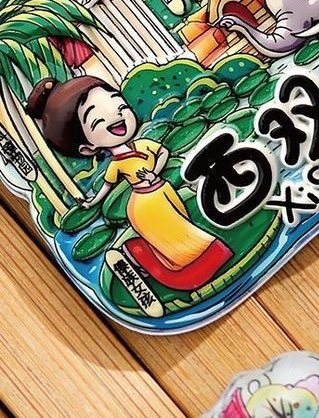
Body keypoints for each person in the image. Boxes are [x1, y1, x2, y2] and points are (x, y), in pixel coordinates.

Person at [25, 75, 231, 291]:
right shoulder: (116, 165)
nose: (116, 114)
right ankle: (195, 267)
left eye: (119, 104)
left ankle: (152, 259)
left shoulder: (143, 144)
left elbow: (162, 153)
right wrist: (90, 202)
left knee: (183, 225)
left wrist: (154, 172)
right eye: (97, 120)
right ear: (87, 148)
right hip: (144, 205)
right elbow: (106, 187)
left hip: (162, 190)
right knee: (176, 236)